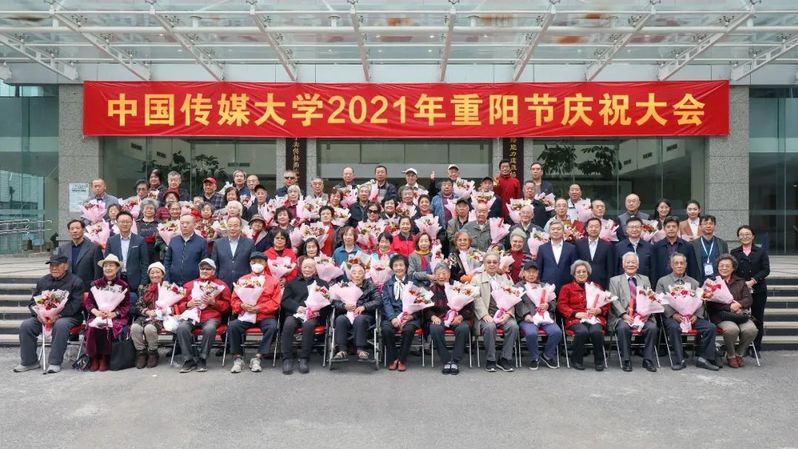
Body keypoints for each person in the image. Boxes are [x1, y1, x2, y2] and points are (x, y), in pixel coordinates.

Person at [14, 254, 85, 374]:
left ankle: (55, 362)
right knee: (26, 325)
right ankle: (29, 361)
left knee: (61, 325)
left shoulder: (76, 282)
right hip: (43, 317)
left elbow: (75, 305)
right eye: (51, 265)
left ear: (66, 266)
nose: (54, 268)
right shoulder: (43, 281)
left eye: (57, 265)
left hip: (69, 316)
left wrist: (58, 316)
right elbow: (32, 302)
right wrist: (38, 314)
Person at [655, 253, 719, 371]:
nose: (679, 265)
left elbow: (700, 301)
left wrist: (696, 315)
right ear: (671, 265)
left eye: (682, 263)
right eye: (676, 263)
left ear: (686, 265)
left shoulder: (694, 282)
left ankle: (704, 359)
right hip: (672, 318)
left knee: (711, 327)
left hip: (691, 317)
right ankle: (680, 360)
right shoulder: (663, 281)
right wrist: (673, 314)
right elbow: (659, 301)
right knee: (674, 328)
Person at [173, 258, 231, 373]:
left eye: (208, 269)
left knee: (209, 329)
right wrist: (188, 304)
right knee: (181, 328)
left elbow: (228, 307)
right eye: (202, 268)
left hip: (211, 316)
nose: (204, 271)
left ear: (213, 271)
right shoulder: (189, 285)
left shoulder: (221, 285)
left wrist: (214, 302)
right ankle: (188, 359)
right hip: (192, 315)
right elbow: (178, 305)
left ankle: (202, 358)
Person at [228, 252, 281, 374]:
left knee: (272, 327)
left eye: (260, 261)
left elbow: (275, 302)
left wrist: (259, 308)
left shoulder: (273, 281)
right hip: (246, 315)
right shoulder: (243, 280)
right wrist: (241, 306)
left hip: (265, 315)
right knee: (233, 326)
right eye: (254, 262)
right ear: (250, 263)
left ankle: (258, 357)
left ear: (265, 264)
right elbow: (234, 299)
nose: (257, 264)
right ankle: (237, 358)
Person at [608, 252, 657, 373]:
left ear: (638, 265)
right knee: (623, 328)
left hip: (642, 316)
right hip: (622, 316)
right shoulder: (614, 280)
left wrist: (647, 314)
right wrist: (623, 315)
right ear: (623, 265)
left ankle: (648, 360)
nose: (631, 264)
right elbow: (614, 300)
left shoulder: (644, 279)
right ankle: (626, 359)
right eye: (628, 262)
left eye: (633, 262)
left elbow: (650, 298)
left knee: (652, 328)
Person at [707, 254, 758, 368]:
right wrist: (729, 307)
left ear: (733, 268)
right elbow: (710, 304)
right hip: (721, 316)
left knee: (751, 330)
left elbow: (748, 299)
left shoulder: (740, 282)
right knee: (732, 330)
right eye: (721, 266)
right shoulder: (712, 282)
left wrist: (739, 305)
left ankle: (739, 353)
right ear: (717, 267)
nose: (724, 268)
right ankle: (730, 355)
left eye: (727, 266)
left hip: (740, 315)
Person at [279, 258, 329, 374]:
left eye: (310, 267)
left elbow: (328, 303)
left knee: (308, 326)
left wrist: (319, 312)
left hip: (313, 315)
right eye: (305, 267)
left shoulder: (322, 284)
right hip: (296, 313)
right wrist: (297, 307)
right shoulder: (292, 283)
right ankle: (287, 358)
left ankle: (304, 358)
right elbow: (285, 300)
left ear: (315, 270)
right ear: (301, 268)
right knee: (288, 324)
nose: (307, 269)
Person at [557, 260, 609, 371]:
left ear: (588, 273)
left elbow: (606, 304)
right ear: (574, 274)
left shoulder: (596, 287)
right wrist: (575, 313)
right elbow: (561, 305)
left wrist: (599, 310)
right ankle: (576, 360)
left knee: (596, 332)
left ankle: (599, 360)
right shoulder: (566, 288)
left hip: (594, 318)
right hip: (575, 319)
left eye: (584, 271)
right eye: (578, 272)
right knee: (582, 332)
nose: (581, 274)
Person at [471, 252, 518, 372]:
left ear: (498, 264)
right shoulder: (476, 279)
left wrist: (508, 314)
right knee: (490, 327)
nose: (492, 264)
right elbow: (475, 299)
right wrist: (484, 314)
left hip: (503, 314)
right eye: (489, 262)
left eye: (495, 262)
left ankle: (505, 358)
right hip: (485, 314)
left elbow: (512, 298)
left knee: (513, 326)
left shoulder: (505, 279)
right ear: (484, 264)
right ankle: (490, 359)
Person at [84, 254, 131, 372]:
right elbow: (89, 302)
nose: (108, 268)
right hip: (97, 314)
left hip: (115, 316)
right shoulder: (95, 284)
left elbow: (126, 305)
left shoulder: (123, 285)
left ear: (117, 268)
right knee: (93, 326)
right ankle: (94, 357)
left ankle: (105, 358)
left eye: (111, 265)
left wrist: (115, 313)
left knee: (108, 326)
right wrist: (96, 312)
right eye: (105, 266)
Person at [427, 264, 473, 375]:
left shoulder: (459, 287)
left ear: (449, 274)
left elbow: (470, 307)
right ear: (435, 276)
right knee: (434, 328)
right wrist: (432, 316)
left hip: (458, 317)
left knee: (463, 328)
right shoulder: (432, 290)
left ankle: (455, 361)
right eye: (438, 274)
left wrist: (461, 316)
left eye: (444, 273)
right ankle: (447, 360)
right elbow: (426, 308)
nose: (441, 276)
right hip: (440, 318)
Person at [515, 261, 562, 370]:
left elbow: (554, 302)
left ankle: (547, 355)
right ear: (523, 273)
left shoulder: (545, 286)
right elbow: (517, 303)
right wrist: (526, 315)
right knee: (531, 333)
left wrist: (548, 305)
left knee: (557, 332)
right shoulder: (518, 286)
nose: (531, 274)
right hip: (528, 318)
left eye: (534, 272)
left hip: (545, 317)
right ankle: (534, 358)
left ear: (537, 273)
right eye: (528, 272)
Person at [731, 225, 770, 352]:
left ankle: (756, 348)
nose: (745, 237)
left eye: (747, 234)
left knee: (758, 319)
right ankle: (743, 347)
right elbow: (732, 271)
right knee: (741, 318)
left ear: (753, 236)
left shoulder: (761, 251)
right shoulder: (734, 252)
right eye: (742, 234)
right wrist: (742, 284)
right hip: (740, 291)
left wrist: (753, 281)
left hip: (758, 290)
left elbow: (766, 270)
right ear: (738, 237)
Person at [331, 263, 381, 361]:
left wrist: (364, 307)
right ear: (350, 275)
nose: (357, 275)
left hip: (365, 315)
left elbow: (378, 300)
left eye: (360, 272)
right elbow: (334, 302)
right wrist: (344, 306)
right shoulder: (344, 286)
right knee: (340, 319)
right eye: (354, 273)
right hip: (348, 314)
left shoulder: (370, 286)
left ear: (364, 274)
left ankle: (361, 350)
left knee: (360, 319)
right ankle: (342, 350)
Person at [381, 255, 421, 371]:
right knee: (386, 329)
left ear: (406, 267)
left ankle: (402, 360)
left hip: (409, 316)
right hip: (392, 315)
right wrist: (393, 318)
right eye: (396, 265)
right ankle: (393, 358)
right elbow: (386, 303)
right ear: (392, 268)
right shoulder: (387, 284)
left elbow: (420, 302)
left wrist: (411, 316)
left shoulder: (413, 283)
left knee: (409, 330)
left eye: (401, 265)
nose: (398, 268)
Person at [131, 262, 167, 369]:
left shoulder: (168, 287)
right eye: (152, 272)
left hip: (161, 317)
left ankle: (153, 353)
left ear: (162, 274)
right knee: (135, 327)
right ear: (149, 274)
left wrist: (159, 312)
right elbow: (138, 306)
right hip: (145, 315)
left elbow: (173, 306)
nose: (155, 275)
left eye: (158, 272)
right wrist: (147, 311)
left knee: (149, 328)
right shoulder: (144, 288)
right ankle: (141, 353)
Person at [105, 210, 148, 299]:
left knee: (134, 302)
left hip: (135, 281)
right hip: (116, 278)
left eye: (127, 222)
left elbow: (145, 262)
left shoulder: (140, 240)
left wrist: (143, 282)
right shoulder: (111, 241)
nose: (125, 224)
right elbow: (107, 262)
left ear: (132, 223)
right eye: (122, 222)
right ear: (117, 223)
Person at [56, 219, 103, 292]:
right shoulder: (63, 249)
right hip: (67, 288)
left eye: (77, 228)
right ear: (69, 231)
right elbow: (59, 269)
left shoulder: (94, 248)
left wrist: (95, 288)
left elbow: (98, 272)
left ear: (83, 230)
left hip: (87, 288)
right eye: (72, 229)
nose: (75, 231)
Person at [211, 217, 255, 290]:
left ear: (241, 227)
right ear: (226, 227)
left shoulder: (249, 243)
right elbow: (214, 265)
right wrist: (217, 281)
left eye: (235, 226)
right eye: (230, 226)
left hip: (243, 283)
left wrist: (250, 281)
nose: (232, 228)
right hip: (223, 283)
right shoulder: (218, 243)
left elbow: (252, 264)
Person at [652, 217, 699, 284]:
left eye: (674, 226)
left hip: (684, 283)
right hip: (663, 283)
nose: (671, 229)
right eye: (668, 227)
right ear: (664, 228)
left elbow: (693, 268)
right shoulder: (657, 247)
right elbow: (654, 269)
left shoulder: (688, 246)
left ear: (678, 228)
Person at [164, 214, 208, 286]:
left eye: (188, 223)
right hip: (173, 282)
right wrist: (167, 279)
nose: (184, 225)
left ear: (194, 225)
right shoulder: (174, 240)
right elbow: (167, 261)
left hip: (193, 283)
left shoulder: (201, 242)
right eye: (182, 223)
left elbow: (204, 264)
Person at [536, 221, 577, 292]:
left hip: (566, 286)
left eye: (558, 229)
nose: (556, 231)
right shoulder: (542, 248)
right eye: (553, 229)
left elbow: (574, 269)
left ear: (563, 231)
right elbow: (539, 268)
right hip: (547, 287)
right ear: (549, 232)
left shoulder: (571, 248)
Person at [575, 217, 615, 288]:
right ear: (586, 229)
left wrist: (609, 286)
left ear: (600, 228)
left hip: (601, 283)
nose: (593, 229)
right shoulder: (579, 244)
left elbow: (610, 268)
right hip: (582, 283)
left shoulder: (607, 245)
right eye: (591, 227)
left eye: (596, 227)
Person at [690, 215, 729, 282]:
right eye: (705, 224)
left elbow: (727, 262)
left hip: (718, 281)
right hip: (698, 282)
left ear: (714, 226)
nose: (708, 226)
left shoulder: (722, 243)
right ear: (700, 226)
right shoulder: (692, 245)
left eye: (711, 223)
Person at [528, 161, 554, 228]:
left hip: (544, 216)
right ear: (530, 172)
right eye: (533, 169)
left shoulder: (548, 186)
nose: (535, 171)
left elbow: (552, 205)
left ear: (542, 172)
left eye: (537, 169)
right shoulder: (527, 185)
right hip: (529, 216)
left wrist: (547, 203)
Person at [137, 198, 160, 263]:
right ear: (142, 210)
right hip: (139, 251)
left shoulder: (160, 223)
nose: (149, 210)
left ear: (155, 210)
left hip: (155, 252)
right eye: (146, 208)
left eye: (151, 208)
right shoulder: (136, 223)